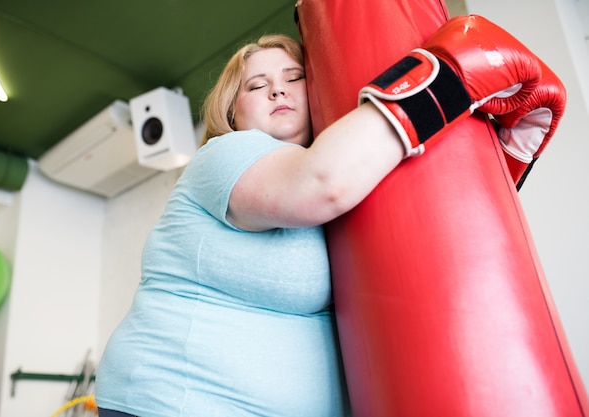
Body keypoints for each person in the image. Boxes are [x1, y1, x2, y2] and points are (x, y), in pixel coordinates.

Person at [94, 15, 544, 417]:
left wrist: (496, 162)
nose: (277, 89)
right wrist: (449, 79)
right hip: (172, 402)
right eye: (256, 85)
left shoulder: (356, 181)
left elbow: (423, 248)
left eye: (294, 78)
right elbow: (321, 183)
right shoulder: (224, 155)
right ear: (232, 110)